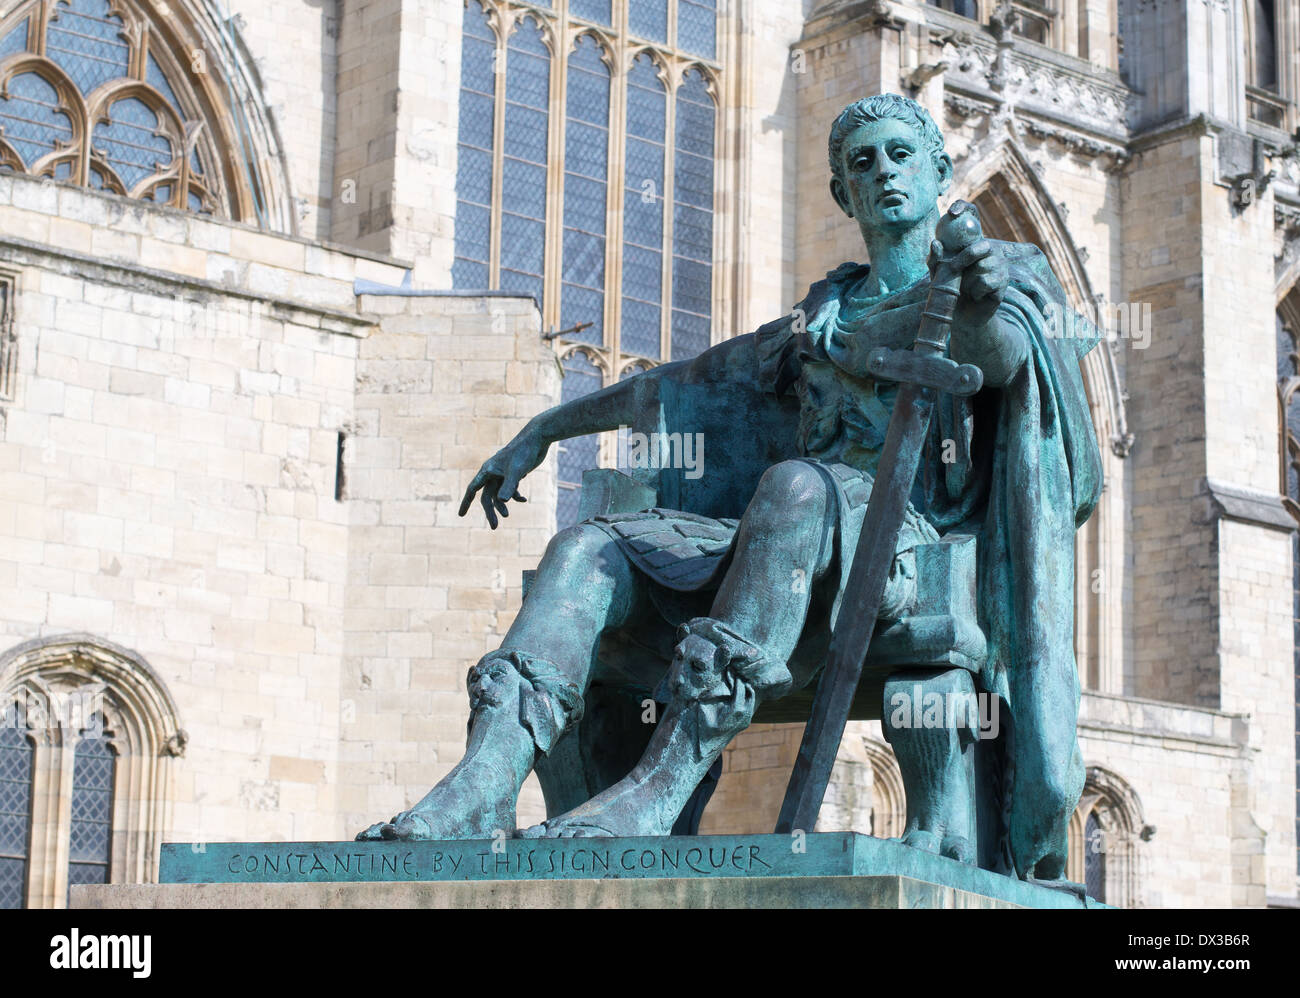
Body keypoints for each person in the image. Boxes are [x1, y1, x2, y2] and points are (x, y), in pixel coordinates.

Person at [357, 93, 1102, 887]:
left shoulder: (977, 286)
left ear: (938, 171)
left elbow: (1001, 358)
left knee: (795, 487)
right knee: (586, 549)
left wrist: (981, 295)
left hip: (899, 547)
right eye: (861, 162)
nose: (882, 172)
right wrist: (546, 428)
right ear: (843, 195)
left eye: (899, 154)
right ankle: (482, 785)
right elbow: (682, 384)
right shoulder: (819, 318)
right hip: (787, 546)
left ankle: (660, 786)